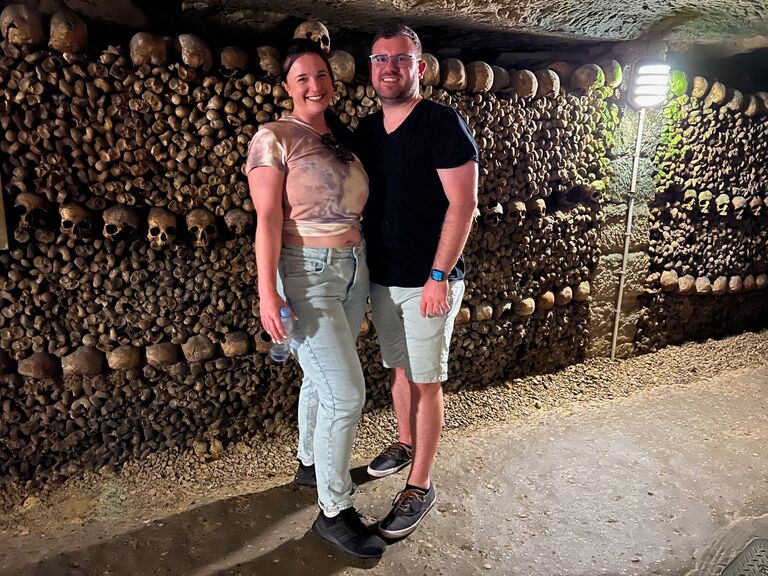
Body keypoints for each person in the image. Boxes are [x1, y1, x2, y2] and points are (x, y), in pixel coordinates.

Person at [245, 39, 386, 560]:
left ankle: (310, 461)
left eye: (321, 75)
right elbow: (267, 220)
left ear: (333, 80)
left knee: (322, 381)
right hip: (306, 273)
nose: (314, 85)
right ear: (287, 87)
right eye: (302, 77)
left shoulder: (343, 140)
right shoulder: (273, 138)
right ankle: (334, 510)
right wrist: (267, 293)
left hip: (353, 268)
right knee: (347, 395)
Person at [352, 24, 479, 539]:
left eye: (400, 59)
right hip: (384, 279)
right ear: (371, 68)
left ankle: (420, 486)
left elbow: (463, 203)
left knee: (427, 382)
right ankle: (404, 442)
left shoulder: (440, 124)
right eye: (380, 59)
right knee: (401, 371)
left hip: (428, 282)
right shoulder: (366, 132)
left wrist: (438, 276)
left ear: (418, 67)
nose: (389, 68)